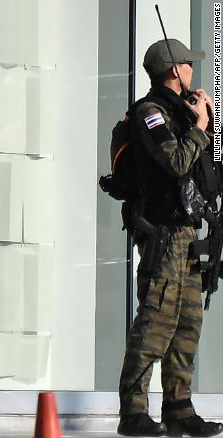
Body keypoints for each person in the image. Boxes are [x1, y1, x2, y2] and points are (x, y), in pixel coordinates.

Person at [117, 39, 222, 437]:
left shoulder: (183, 113)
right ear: (174, 70)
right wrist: (197, 127)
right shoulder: (151, 114)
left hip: (188, 234)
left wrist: (206, 120)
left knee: (187, 325)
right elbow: (177, 162)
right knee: (156, 321)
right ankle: (134, 413)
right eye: (187, 65)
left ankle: (180, 409)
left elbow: (207, 173)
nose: (193, 70)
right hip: (163, 233)